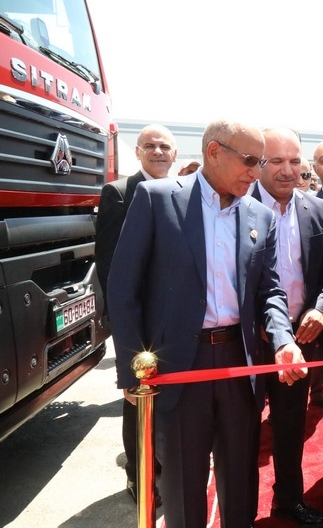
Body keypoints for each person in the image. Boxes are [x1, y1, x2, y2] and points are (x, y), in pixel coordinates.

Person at [107, 120, 308, 528]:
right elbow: (123, 287)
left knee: (240, 481)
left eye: (261, 162)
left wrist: (283, 339)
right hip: (179, 365)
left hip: (239, 363)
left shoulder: (259, 215)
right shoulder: (157, 199)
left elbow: (270, 290)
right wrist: (131, 369)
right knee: (183, 487)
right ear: (214, 152)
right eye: (250, 160)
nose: (256, 172)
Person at [250, 127, 323, 526]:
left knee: (289, 426)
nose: (288, 170)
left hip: (301, 338)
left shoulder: (316, 209)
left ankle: (288, 500)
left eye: (295, 161)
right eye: (277, 161)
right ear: (258, 163)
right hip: (248, 340)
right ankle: (239, 507)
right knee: (241, 430)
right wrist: (258, 320)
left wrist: (320, 309)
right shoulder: (238, 205)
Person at [96, 124, 177, 506]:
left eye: (165, 146)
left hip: (172, 319)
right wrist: (121, 323)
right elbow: (109, 264)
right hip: (137, 321)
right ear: (138, 152)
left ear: (174, 154)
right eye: (150, 146)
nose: (158, 151)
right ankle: (138, 476)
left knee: (168, 398)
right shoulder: (119, 193)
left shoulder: (181, 192)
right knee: (137, 400)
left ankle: (162, 465)